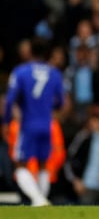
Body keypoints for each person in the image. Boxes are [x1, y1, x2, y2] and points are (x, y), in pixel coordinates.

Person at [2, 38, 64, 207]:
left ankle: (38, 199)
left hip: (28, 124)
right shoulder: (55, 73)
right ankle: (40, 201)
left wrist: (6, 121)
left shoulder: (20, 72)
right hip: (47, 125)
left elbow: (9, 100)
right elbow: (60, 102)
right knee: (44, 165)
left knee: (20, 164)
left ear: (30, 51)